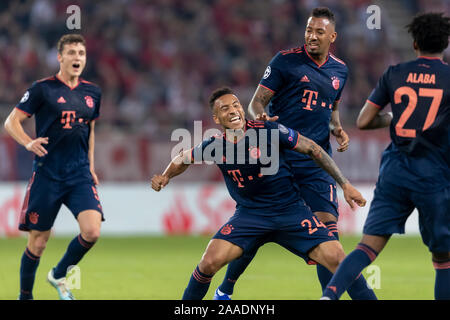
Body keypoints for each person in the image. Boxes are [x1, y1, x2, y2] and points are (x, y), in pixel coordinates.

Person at [214, 7, 376, 300]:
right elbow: (256, 103)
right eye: (308, 31)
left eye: (319, 32)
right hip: (281, 159)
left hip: (316, 163)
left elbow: (333, 103)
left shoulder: (340, 69)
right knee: (256, 230)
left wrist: (337, 126)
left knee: (328, 236)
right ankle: (226, 288)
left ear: (332, 37)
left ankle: (329, 296)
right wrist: (262, 118)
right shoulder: (285, 62)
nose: (312, 37)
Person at [151, 87, 367, 300]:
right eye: (225, 108)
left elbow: (312, 148)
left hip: (290, 212)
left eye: (236, 105)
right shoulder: (214, 145)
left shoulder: (267, 130)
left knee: (339, 260)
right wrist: (166, 176)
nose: (233, 110)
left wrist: (345, 184)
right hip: (250, 215)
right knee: (208, 262)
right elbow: (182, 158)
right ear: (217, 119)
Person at [321, 12, 450, 300]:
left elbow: (365, 121)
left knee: (367, 248)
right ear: (445, 44)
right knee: (444, 259)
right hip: (435, 176)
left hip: (395, 171)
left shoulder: (395, 73)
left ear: (414, 43)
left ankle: (328, 296)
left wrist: (397, 116)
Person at [4, 34, 104, 300]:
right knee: (38, 242)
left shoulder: (93, 92)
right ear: (60, 57)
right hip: (48, 174)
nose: (77, 58)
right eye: (71, 53)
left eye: (81, 53)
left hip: (79, 174)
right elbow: (11, 122)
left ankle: (59, 274)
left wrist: (91, 166)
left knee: (92, 231)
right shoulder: (42, 89)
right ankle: (25, 295)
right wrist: (27, 143)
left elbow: (90, 130)